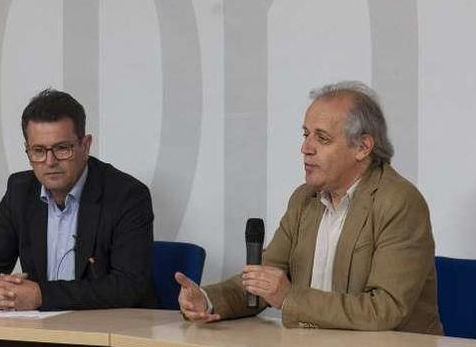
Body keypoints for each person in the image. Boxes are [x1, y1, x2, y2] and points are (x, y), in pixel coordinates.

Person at [176, 81, 442, 333]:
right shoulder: (305, 199)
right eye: (305, 135)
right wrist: (207, 300)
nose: (305, 148)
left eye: (322, 139)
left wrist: (291, 297)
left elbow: (385, 309)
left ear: (362, 147)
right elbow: (265, 278)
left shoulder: (399, 202)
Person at [0, 89, 156, 310]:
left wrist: (41, 295)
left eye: (62, 148)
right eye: (38, 150)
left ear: (86, 145)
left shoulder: (127, 195)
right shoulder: (20, 192)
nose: (50, 161)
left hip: (105, 333)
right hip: (40, 333)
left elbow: (128, 286)